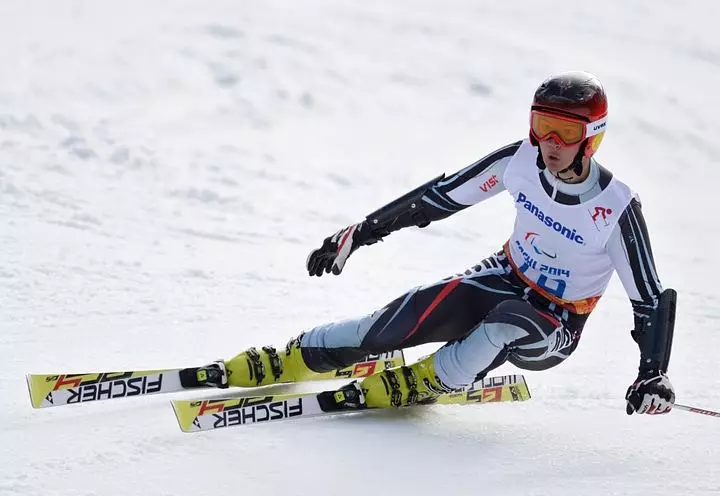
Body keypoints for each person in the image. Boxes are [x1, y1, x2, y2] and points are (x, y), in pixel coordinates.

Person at [196, 71, 677, 416]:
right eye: (541, 124)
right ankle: (297, 354)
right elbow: (437, 199)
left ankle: (430, 378)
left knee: (504, 324)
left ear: (591, 138)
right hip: (505, 276)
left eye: (566, 131)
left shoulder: (615, 207)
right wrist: (360, 233)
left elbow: (650, 300)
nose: (549, 141)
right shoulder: (520, 161)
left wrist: (652, 372)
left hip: (556, 324)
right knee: (396, 320)